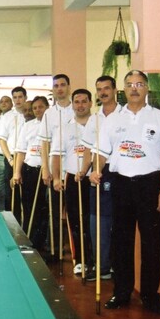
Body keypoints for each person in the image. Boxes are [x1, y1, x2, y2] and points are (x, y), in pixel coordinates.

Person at [90, 70, 160, 313]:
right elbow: (100, 153)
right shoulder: (112, 120)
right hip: (120, 184)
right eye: (130, 84)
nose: (134, 88)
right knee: (121, 242)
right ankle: (122, 293)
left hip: (149, 185)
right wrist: (95, 170)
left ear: (147, 88)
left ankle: (150, 295)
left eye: (139, 84)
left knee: (151, 242)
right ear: (123, 89)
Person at [79, 75, 121, 281]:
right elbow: (88, 149)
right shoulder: (94, 119)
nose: (103, 92)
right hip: (97, 173)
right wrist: (83, 171)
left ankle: (118, 266)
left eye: (106, 88)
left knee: (120, 221)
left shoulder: (125, 116)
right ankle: (102, 266)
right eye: (99, 89)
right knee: (98, 220)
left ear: (115, 90)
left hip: (120, 173)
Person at [51, 89, 94, 280]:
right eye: (77, 102)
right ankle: (81, 260)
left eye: (84, 101)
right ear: (73, 104)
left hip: (96, 179)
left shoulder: (99, 124)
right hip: (73, 179)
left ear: (91, 103)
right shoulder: (65, 128)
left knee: (95, 222)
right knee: (76, 221)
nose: (80, 105)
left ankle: (99, 261)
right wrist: (56, 178)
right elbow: (55, 155)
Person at [39, 74, 74, 262]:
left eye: (62, 85)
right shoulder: (49, 114)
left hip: (75, 169)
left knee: (75, 212)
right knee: (54, 211)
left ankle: (78, 254)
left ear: (69, 87)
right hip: (55, 168)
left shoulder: (78, 109)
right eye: (56, 86)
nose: (59, 88)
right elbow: (44, 143)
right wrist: (45, 169)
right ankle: (54, 250)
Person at [12, 96, 49, 252]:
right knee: (28, 207)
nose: (37, 110)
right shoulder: (27, 126)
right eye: (35, 108)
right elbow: (21, 151)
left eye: (41, 107)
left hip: (46, 171)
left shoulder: (53, 125)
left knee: (44, 208)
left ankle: (42, 243)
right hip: (29, 170)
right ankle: (29, 240)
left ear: (47, 108)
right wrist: (16, 172)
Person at [0, 86, 27, 216]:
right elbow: (2, 140)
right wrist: (10, 159)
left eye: (20, 97)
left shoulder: (30, 114)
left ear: (25, 98)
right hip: (12, 158)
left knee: (27, 193)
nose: (18, 100)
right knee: (11, 194)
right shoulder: (7, 117)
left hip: (28, 159)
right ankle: (12, 223)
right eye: (15, 97)